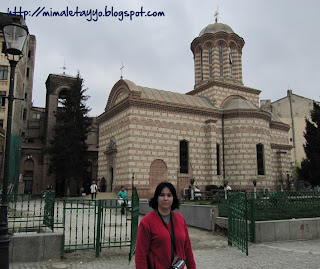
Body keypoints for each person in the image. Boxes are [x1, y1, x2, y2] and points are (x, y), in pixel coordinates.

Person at [135, 182, 196, 269]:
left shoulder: (180, 219)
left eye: (169, 195)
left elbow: (187, 250)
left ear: (173, 198)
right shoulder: (147, 222)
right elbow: (141, 255)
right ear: (156, 198)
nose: (165, 198)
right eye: (162, 195)